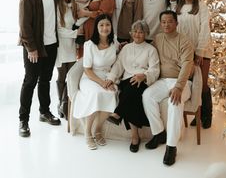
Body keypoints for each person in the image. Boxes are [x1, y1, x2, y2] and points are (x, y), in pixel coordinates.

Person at [143, 10, 194, 166]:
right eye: (163, 22)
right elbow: (146, 50)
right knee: (147, 95)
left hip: (181, 81)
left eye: (170, 21)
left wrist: (179, 87)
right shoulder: (158, 39)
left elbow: (187, 65)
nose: (166, 24)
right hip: (163, 80)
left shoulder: (185, 41)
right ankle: (159, 133)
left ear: (176, 23)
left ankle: (171, 146)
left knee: (174, 102)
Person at [18, 0, 61, 138]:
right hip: (34, 48)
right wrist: (31, 48)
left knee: (46, 80)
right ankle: (23, 120)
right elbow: (24, 25)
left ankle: (44, 112)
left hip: (51, 45)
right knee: (30, 82)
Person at [106, 20, 160, 153]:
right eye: (135, 31)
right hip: (127, 80)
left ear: (146, 34)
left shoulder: (151, 50)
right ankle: (134, 135)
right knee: (131, 93)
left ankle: (122, 118)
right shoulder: (126, 48)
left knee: (129, 92)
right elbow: (118, 65)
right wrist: (111, 78)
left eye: (141, 32)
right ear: (131, 33)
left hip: (142, 81)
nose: (137, 34)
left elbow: (155, 69)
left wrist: (144, 75)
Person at [73, 14, 118, 150]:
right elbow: (87, 69)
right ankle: (87, 133)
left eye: (107, 25)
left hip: (107, 77)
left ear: (111, 26)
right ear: (97, 27)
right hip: (90, 78)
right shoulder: (89, 45)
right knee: (96, 94)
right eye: (101, 25)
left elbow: (116, 64)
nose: (105, 28)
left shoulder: (114, 42)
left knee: (112, 94)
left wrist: (109, 79)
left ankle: (97, 130)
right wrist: (101, 83)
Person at [176, 0, 213, 129]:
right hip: (186, 52)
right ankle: (196, 114)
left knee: (203, 83)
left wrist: (199, 52)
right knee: (192, 85)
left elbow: (205, 30)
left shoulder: (202, 7)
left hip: (202, 51)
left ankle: (207, 115)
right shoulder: (179, 8)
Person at [55, 0, 80, 120]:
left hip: (71, 45)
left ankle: (65, 103)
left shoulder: (73, 6)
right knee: (62, 76)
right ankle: (61, 103)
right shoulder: (58, 6)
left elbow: (75, 24)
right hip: (61, 46)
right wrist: (76, 34)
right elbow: (59, 30)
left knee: (71, 76)